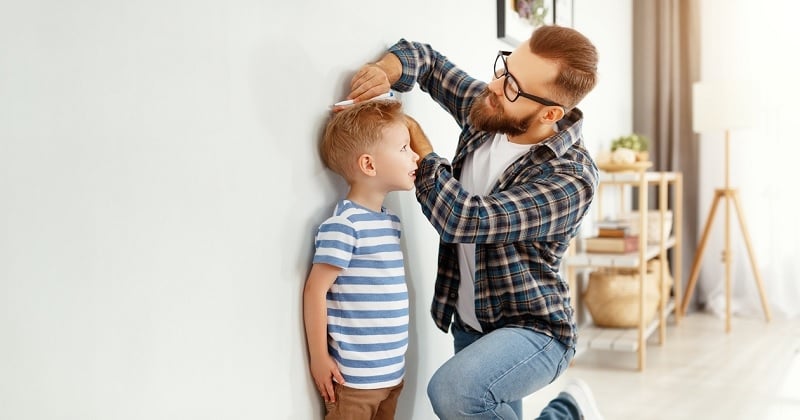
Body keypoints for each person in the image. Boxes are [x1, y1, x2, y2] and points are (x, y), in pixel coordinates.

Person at [345, 25, 604, 419]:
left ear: (549, 113)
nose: (496, 86)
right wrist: (387, 69)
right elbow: (428, 62)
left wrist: (421, 146)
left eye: (513, 86)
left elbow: (466, 218)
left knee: (454, 391)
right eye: (504, 69)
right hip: (473, 321)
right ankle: (567, 412)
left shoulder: (571, 178)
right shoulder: (496, 109)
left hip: (535, 329)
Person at [303, 99, 419, 420]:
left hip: (392, 375)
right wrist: (318, 357)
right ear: (369, 165)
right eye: (404, 148)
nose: (416, 156)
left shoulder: (389, 222)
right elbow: (316, 290)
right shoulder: (345, 225)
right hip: (354, 382)